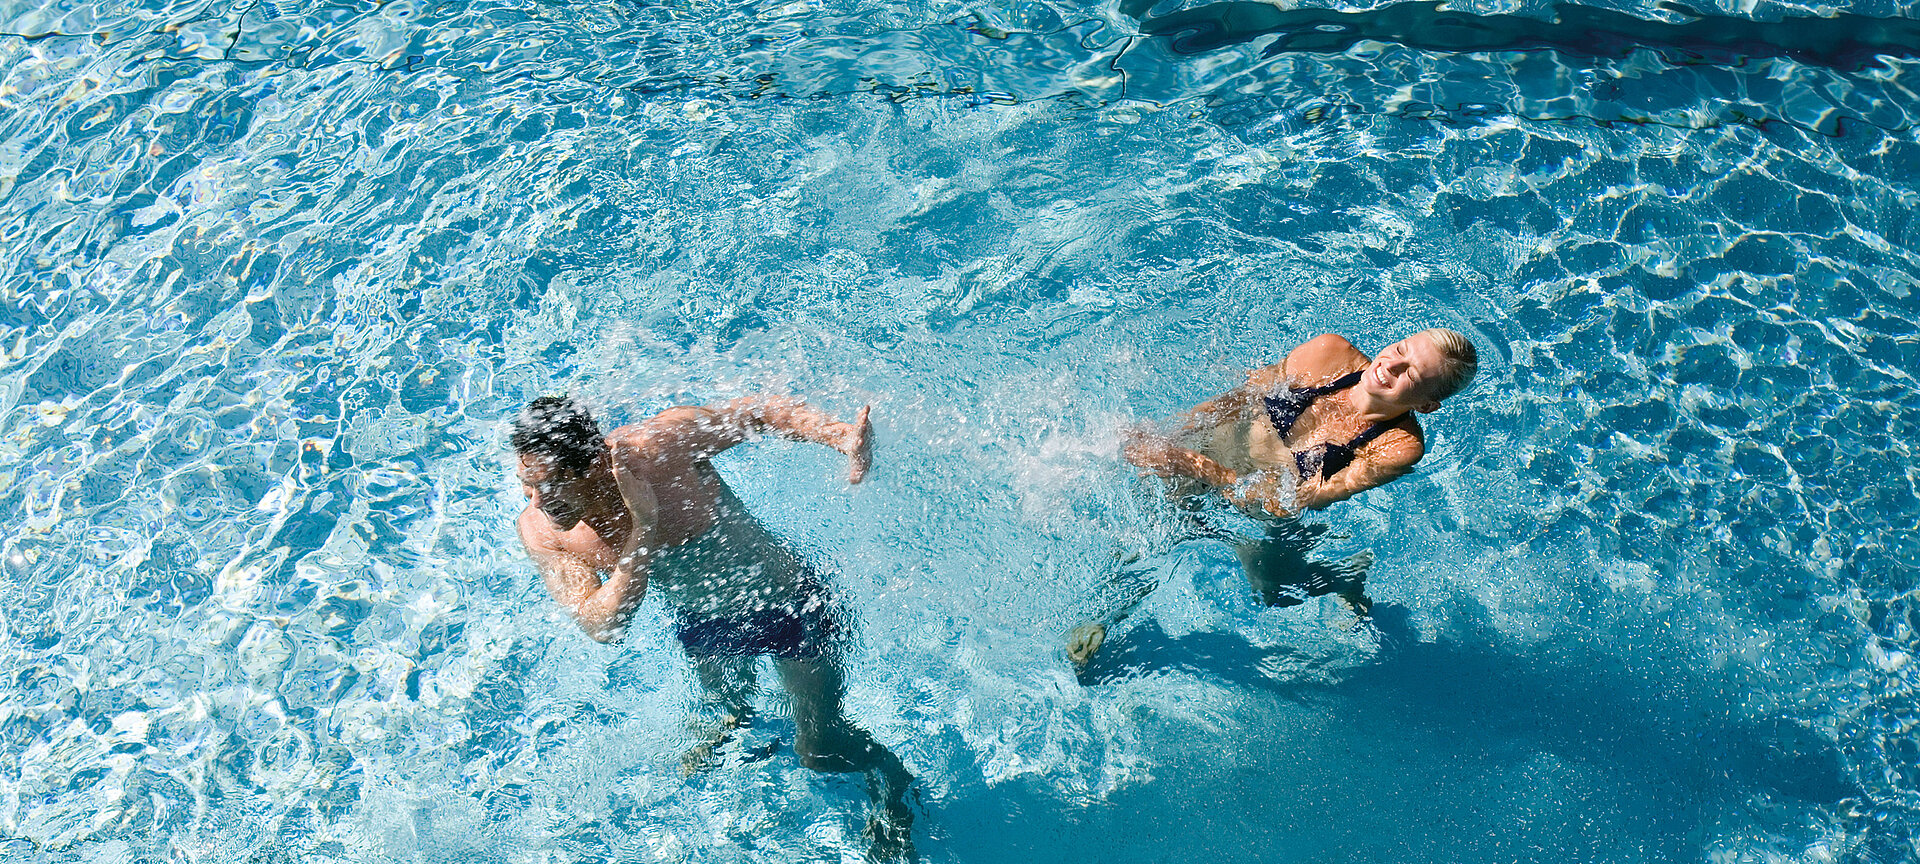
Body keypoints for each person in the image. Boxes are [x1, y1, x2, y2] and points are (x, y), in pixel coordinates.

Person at [510, 394, 914, 858]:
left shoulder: (660, 449)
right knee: (726, 715)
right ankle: (735, 721)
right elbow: (603, 625)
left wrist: (840, 436)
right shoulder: (541, 530)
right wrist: (645, 525)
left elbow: (756, 414)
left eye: (554, 484)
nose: (538, 502)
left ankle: (893, 784)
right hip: (703, 626)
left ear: (598, 461)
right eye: (527, 484)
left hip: (791, 611)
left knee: (818, 749)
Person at [1066, 329, 1479, 671]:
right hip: (1211, 454)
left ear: (1427, 404)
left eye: (1410, 372)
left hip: (1259, 509)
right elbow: (1233, 402)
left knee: (1274, 592)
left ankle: (1341, 579)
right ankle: (1101, 619)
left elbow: (1298, 501)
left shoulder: (1396, 447)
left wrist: (1191, 464)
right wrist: (1167, 438)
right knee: (1150, 533)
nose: (1389, 365)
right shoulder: (1328, 354)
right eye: (1400, 349)